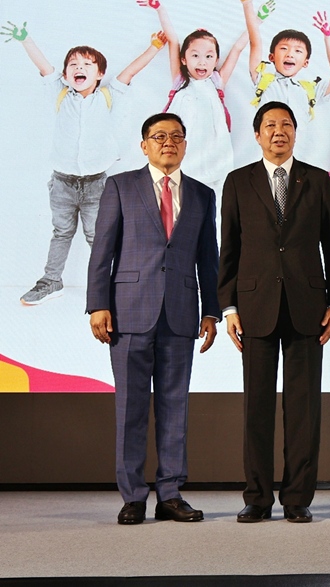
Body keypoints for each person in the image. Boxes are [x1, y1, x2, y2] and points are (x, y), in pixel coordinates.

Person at [86, 112, 219, 525]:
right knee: (131, 408)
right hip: (127, 313)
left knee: (175, 407)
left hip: (180, 314)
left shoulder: (202, 194)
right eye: (159, 136)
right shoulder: (120, 186)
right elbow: (102, 250)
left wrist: (211, 310)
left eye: (176, 136)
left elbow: (208, 259)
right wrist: (98, 304)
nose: (168, 143)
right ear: (144, 145)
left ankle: (170, 494)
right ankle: (132, 497)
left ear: (185, 145)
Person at [218, 101, 330, 523]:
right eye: (270, 125)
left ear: (295, 133)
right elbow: (229, 248)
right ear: (257, 135)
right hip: (255, 307)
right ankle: (256, 497)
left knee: (304, 409)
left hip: (308, 307)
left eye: (286, 124)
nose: (279, 131)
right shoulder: (238, 181)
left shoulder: (318, 180)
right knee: (256, 408)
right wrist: (229, 306)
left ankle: (297, 498)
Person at [1, 20, 167, 305]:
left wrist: (154, 47)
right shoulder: (60, 93)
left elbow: (130, 71)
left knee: (97, 235)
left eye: (87, 64)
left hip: (96, 185)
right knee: (61, 232)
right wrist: (26, 39)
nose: (80, 68)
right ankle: (51, 281)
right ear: (66, 74)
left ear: (100, 73)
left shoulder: (108, 96)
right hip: (62, 183)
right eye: (73, 65)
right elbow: (43, 66)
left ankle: (113, 284)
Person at [136, 0, 274, 196]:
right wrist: (159, 8)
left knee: (215, 198)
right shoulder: (180, 81)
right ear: (184, 59)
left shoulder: (217, 82)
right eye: (195, 56)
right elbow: (173, 40)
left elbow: (237, 48)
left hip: (215, 156)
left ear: (216, 59)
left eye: (209, 56)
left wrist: (258, 19)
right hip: (185, 158)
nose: (202, 62)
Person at [238, 0, 330, 172]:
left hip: (300, 164)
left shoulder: (311, 89)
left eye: (298, 51)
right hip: (265, 162)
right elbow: (255, 42)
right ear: (272, 57)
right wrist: (248, 4)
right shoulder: (263, 79)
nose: (290, 54)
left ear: (306, 62)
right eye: (284, 49)